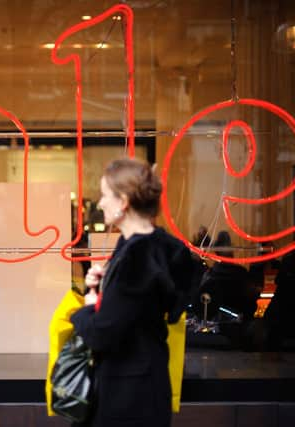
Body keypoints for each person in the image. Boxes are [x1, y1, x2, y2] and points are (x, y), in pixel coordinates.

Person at [70, 158, 196, 427]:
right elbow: (153, 305)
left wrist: (85, 310)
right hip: (148, 383)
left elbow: (102, 333)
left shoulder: (136, 257)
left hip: (127, 395)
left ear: (123, 202)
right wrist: (105, 283)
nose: (101, 202)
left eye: (105, 195)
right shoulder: (161, 246)